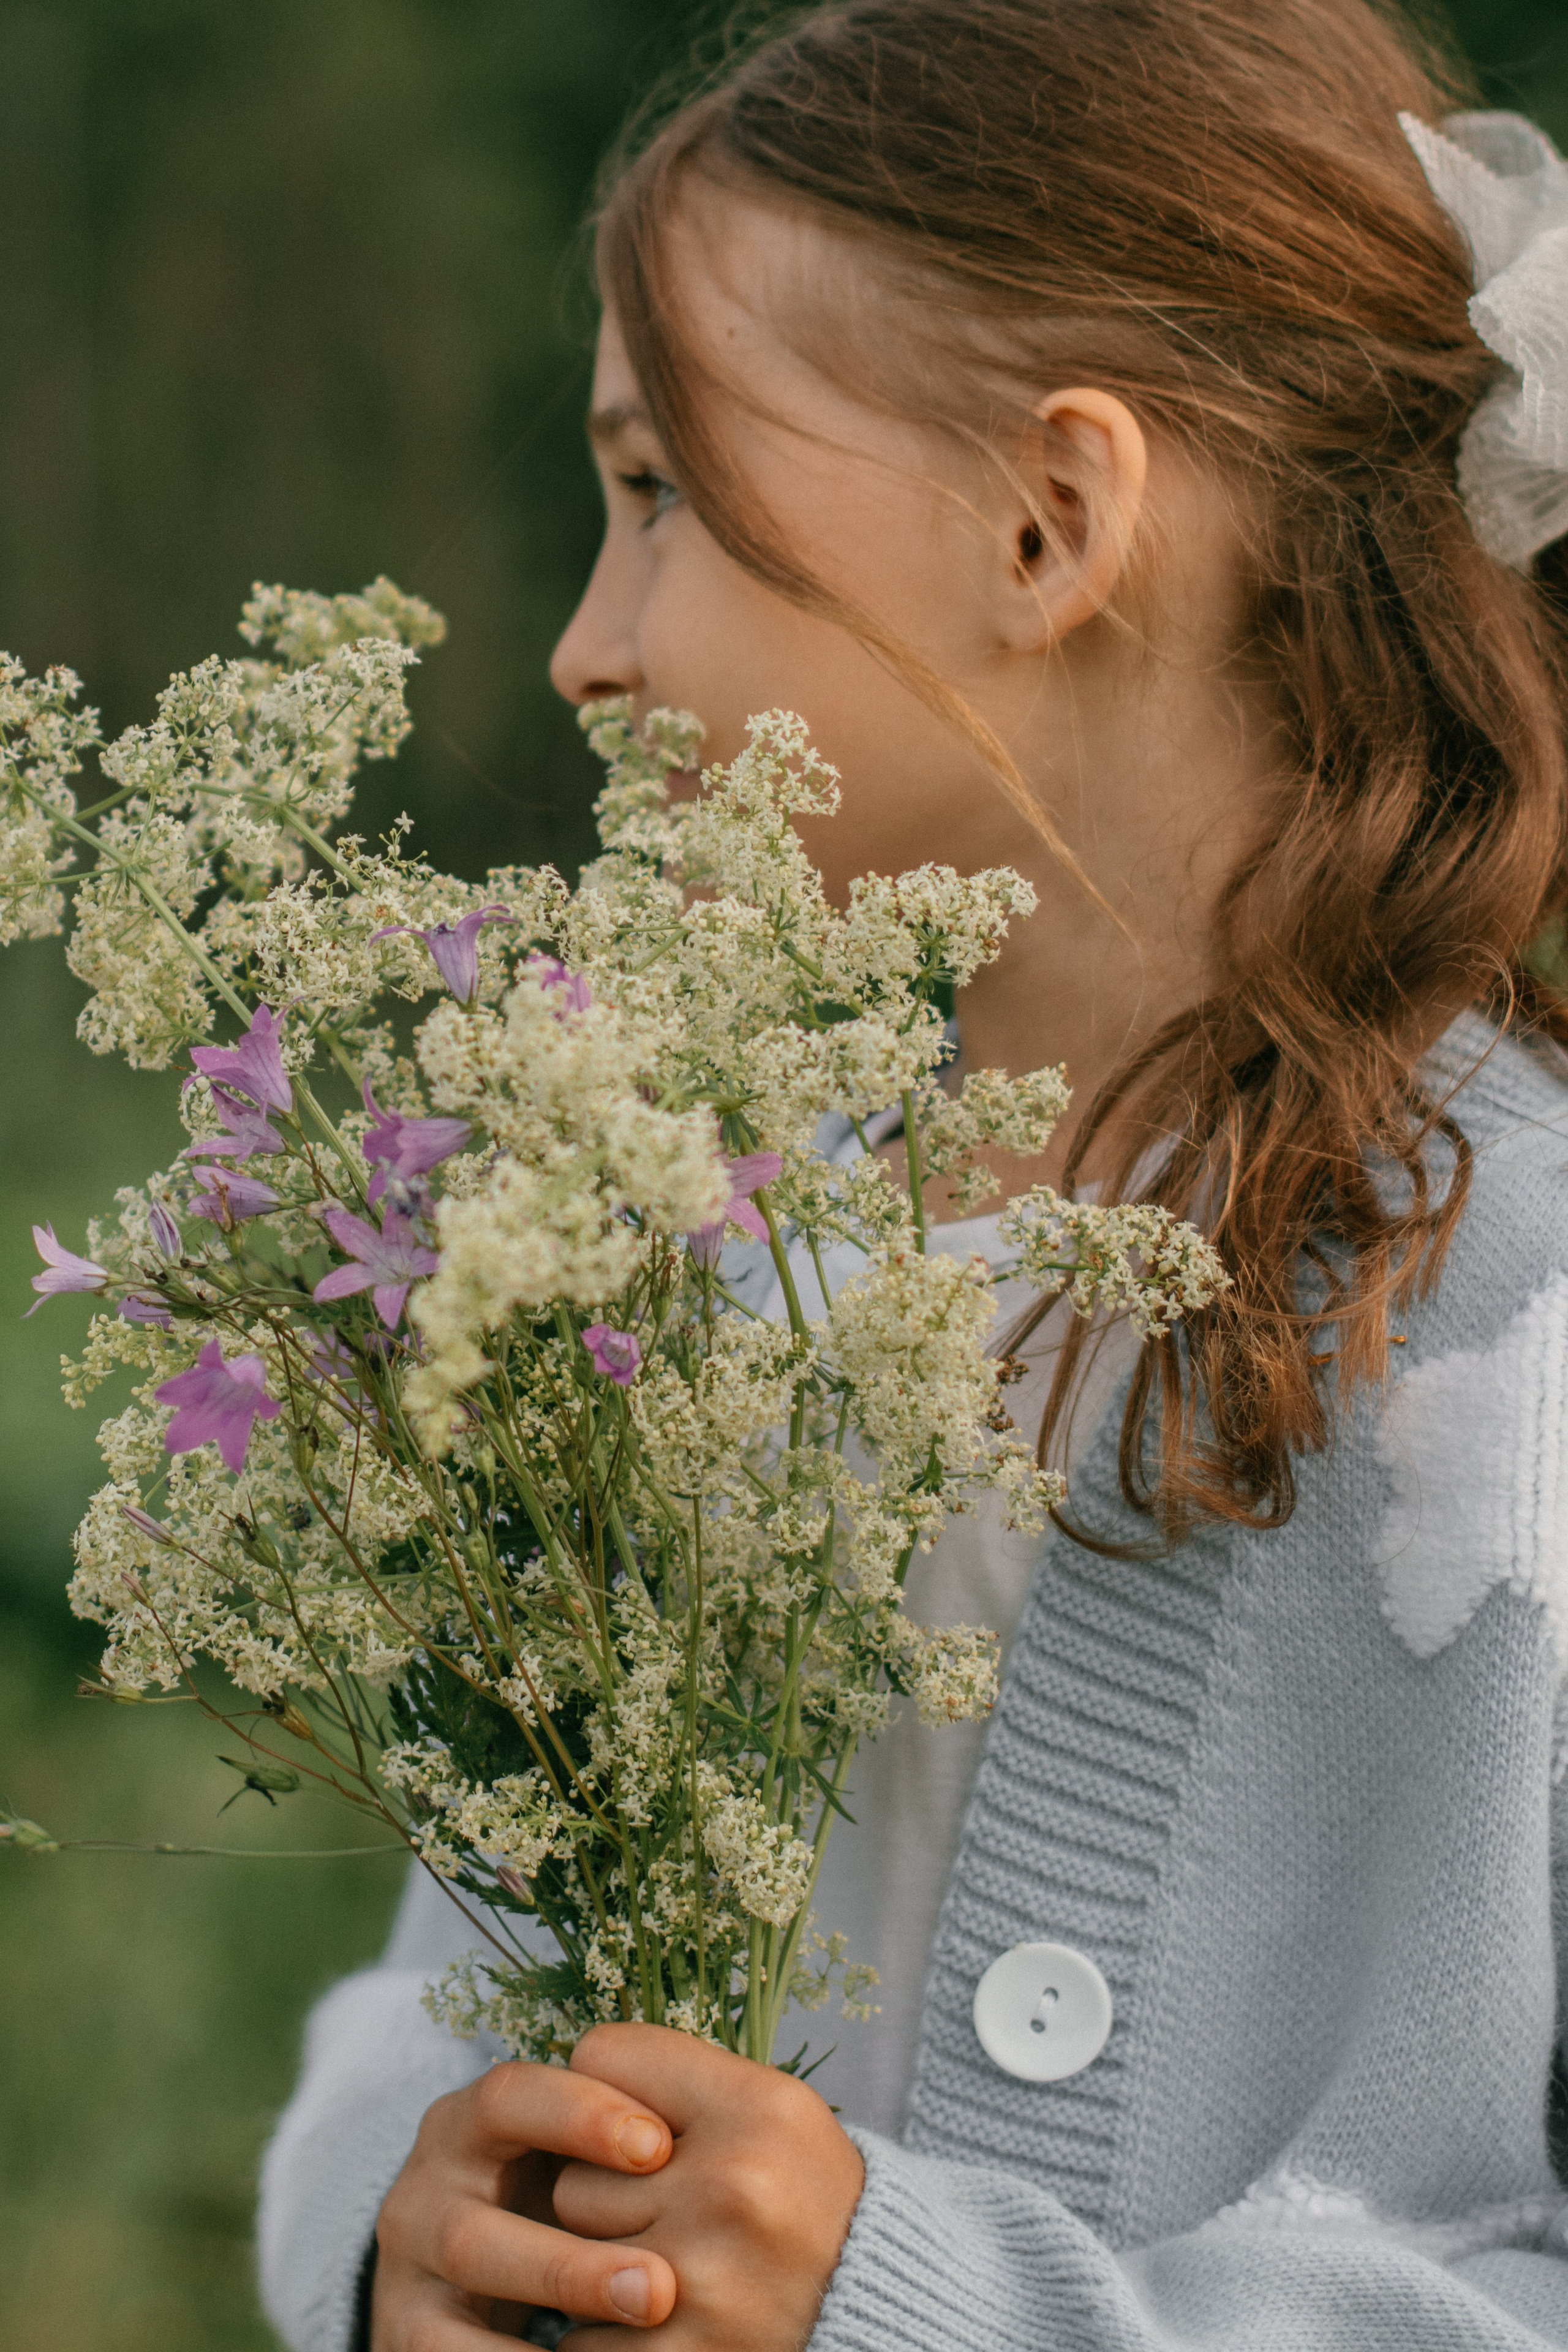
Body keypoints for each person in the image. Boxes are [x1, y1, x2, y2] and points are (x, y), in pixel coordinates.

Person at [258, 2, 1568, 2345]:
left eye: (659, 492)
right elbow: (444, 1980)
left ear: (1049, 520)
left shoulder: (1531, 1328)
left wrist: (920, 2300)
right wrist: (416, 2231)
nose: (585, 647)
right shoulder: (698, 1262)